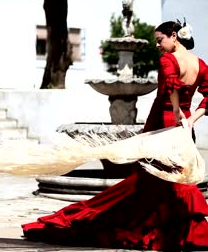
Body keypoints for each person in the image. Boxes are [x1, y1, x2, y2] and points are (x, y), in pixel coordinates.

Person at [21, 20, 208, 250]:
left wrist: (177, 111)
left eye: (160, 40)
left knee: (152, 184)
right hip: (184, 128)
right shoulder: (200, 64)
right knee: (167, 182)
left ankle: (147, 228)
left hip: (165, 124)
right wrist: (190, 120)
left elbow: (172, 88)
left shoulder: (168, 60)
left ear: (173, 36)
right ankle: (183, 233)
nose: (158, 45)